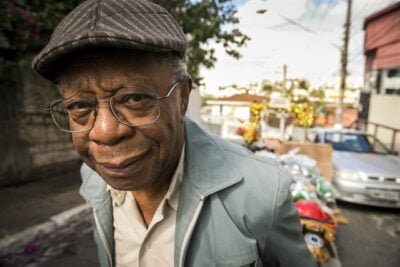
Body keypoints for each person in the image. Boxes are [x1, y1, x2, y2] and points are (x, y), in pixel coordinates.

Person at [33, 0, 317, 266]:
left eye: (134, 98)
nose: (105, 132)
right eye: (81, 105)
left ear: (182, 98)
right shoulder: (94, 177)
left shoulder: (262, 193)